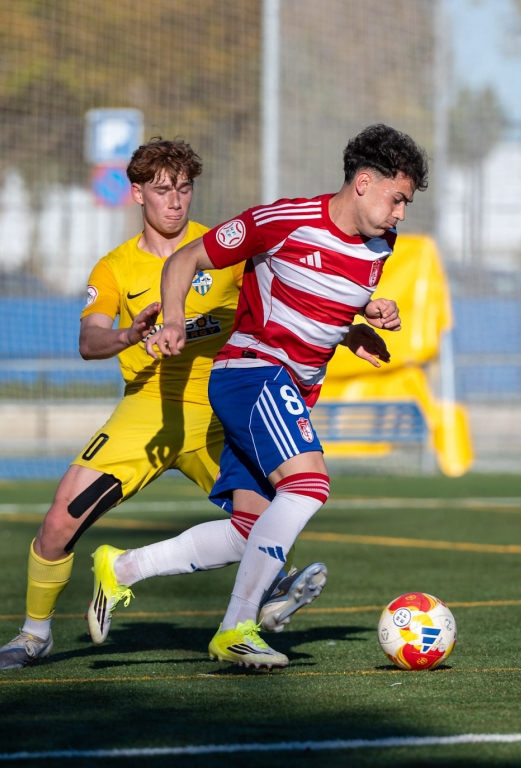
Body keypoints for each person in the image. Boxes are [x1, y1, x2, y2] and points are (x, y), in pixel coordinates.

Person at [144, 123, 429, 669]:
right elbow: (184, 260)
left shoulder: (381, 245)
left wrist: (359, 322)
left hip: (289, 390)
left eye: (406, 204)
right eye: (397, 199)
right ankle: (236, 628)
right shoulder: (283, 220)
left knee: (246, 529)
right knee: (309, 484)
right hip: (252, 372)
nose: (400, 214)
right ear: (363, 183)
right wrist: (175, 320)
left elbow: (321, 296)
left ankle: (121, 568)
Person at [0, 137, 251, 669]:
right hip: (146, 411)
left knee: (267, 523)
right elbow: (89, 341)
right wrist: (130, 335)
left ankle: (263, 594)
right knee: (59, 521)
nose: (175, 201)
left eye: (184, 189)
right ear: (137, 194)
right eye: (162, 189)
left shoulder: (223, 250)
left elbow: (282, 299)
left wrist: (357, 319)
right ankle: (34, 634)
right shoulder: (114, 267)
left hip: (216, 409)